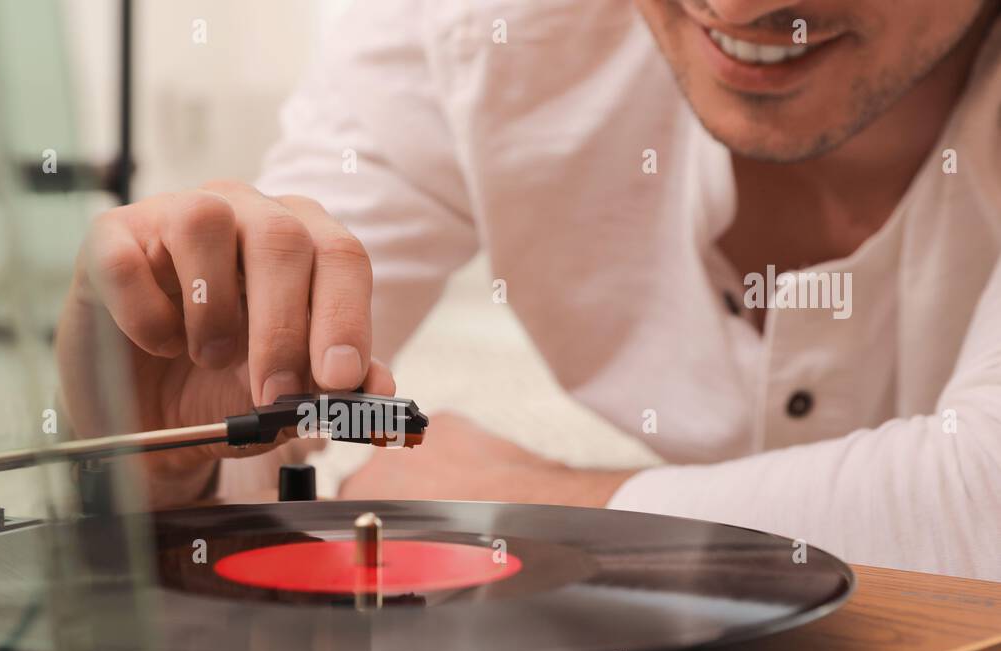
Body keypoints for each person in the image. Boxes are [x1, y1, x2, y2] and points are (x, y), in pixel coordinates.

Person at [56, 0, 1001, 580]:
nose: (742, 5)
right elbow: (271, 342)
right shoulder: (464, 23)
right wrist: (170, 460)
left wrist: (541, 511)